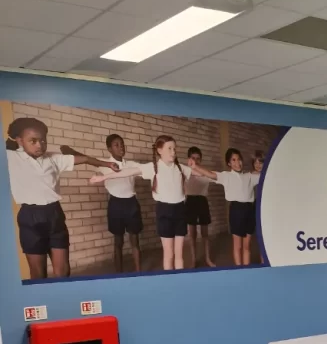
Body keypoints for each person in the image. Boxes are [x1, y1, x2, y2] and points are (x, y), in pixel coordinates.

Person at [6, 116, 118, 279]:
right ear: (20, 141)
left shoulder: (53, 158)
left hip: (54, 214)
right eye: (33, 141)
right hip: (30, 217)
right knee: (38, 274)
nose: (40, 145)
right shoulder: (11, 157)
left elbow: (85, 159)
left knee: (63, 272)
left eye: (43, 140)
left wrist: (107, 164)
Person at [90, 135, 191, 271]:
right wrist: (103, 177)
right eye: (169, 148)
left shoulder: (180, 168)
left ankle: (179, 280)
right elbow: (124, 173)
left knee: (179, 255)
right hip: (160, 210)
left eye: (174, 148)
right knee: (168, 255)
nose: (173, 152)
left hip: (179, 210)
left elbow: (199, 173)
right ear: (159, 150)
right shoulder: (153, 167)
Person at [189, 148, 258, 266]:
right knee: (238, 246)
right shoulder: (226, 176)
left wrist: (259, 164)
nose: (237, 162)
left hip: (249, 211)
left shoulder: (249, 176)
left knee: (247, 246)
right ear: (229, 163)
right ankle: (239, 270)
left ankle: (247, 270)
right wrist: (195, 166)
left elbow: (266, 175)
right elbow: (210, 174)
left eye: (239, 159)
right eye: (234, 160)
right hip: (236, 211)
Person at [100, 133, 143, 273]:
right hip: (116, 205)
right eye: (116, 145)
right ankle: (119, 273)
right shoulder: (104, 165)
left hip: (131, 204)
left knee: (135, 240)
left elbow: (147, 169)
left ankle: (138, 271)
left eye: (122, 144)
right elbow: (86, 160)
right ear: (109, 149)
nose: (121, 147)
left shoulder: (131, 165)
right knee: (118, 242)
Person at [184, 147, 215, 268]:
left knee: (205, 234)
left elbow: (212, 177)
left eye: (198, 158)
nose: (196, 161)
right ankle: (193, 260)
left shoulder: (205, 172)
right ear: (189, 159)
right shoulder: (185, 172)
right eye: (193, 158)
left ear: (201, 160)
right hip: (190, 201)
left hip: (202, 201)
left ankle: (207, 258)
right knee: (192, 235)